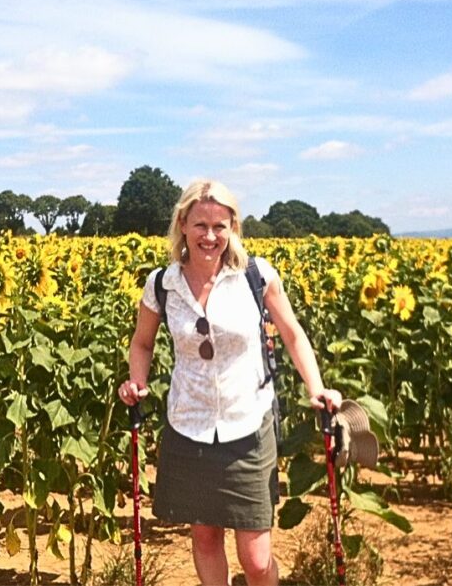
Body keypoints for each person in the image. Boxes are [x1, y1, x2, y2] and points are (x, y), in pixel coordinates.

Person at [117, 179, 341, 586]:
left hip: (247, 423)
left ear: (233, 227)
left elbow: (292, 333)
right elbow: (142, 342)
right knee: (205, 538)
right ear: (183, 224)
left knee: (256, 559)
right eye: (201, 225)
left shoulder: (256, 275)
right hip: (189, 425)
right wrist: (137, 381)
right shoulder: (161, 284)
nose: (210, 236)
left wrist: (317, 387)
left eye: (220, 226)